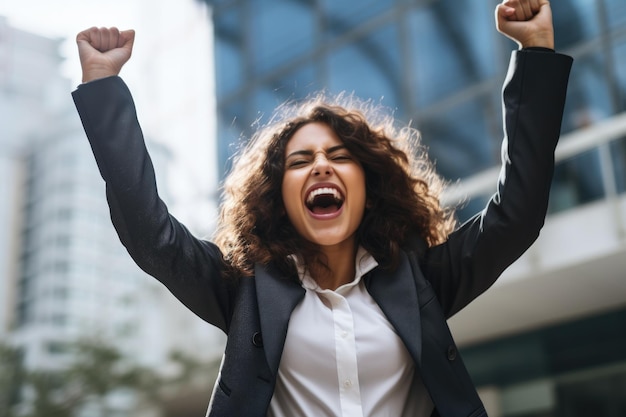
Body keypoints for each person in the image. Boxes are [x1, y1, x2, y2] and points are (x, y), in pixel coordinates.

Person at [72, 0, 572, 416]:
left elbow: (517, 216)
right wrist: (101, 85)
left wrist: (535, 53)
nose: (320, 168)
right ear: (276, 195)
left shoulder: (423, 282)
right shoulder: (245, 292)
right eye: (300, 161)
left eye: (339, 157)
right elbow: (150, 234)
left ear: (369, 185)